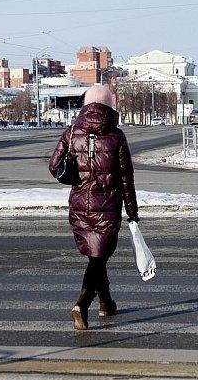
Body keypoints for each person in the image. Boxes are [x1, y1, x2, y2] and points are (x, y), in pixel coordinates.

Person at [49, 85, 139, 330]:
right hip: (108, 206)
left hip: (79, 205)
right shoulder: (117, 136)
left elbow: (53, 166)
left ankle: (106, 303)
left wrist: (73, 173)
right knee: (97, 259)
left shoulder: (71, 132)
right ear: (110, 105)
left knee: (96, 257)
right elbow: (125, 178)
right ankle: (82, 304)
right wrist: (132, 211)